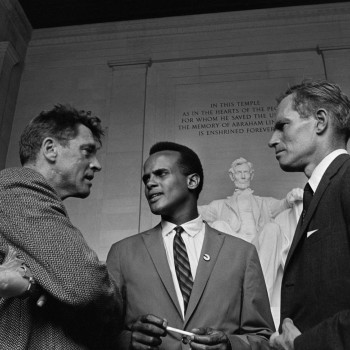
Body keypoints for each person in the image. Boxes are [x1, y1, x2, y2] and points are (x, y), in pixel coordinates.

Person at [107, 141, 275, 350]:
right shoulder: (122, 253)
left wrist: (230, 345)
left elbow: (264, 338)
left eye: (161, 174)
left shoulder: (242, 253)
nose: (150, 183)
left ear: (192, 181)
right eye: (146, 178)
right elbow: (99, 333)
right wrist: (127, 341)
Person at [0, 104, 122, 349]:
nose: (97, 164)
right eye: (87, 151)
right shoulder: (16, 189)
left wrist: (36, 285)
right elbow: (87, 283)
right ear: (50, 149)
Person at [268, 80, 350, 350]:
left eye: (283, 125)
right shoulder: (317, 195)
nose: (272, 141)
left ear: (320, 121)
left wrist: (303, 344)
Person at [199, 157, 302, 300]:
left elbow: (283, 204)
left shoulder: (264, 203)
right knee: (218, 226)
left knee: (272, 228)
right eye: (239, 172)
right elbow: (195, 211)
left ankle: (260, 298)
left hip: (259, 249)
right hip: (233, 251)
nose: (242, 176)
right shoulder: (219, 205)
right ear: (232, 176)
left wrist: (292, 196)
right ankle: (232, 293)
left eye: (246, 172)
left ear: (251, 175)